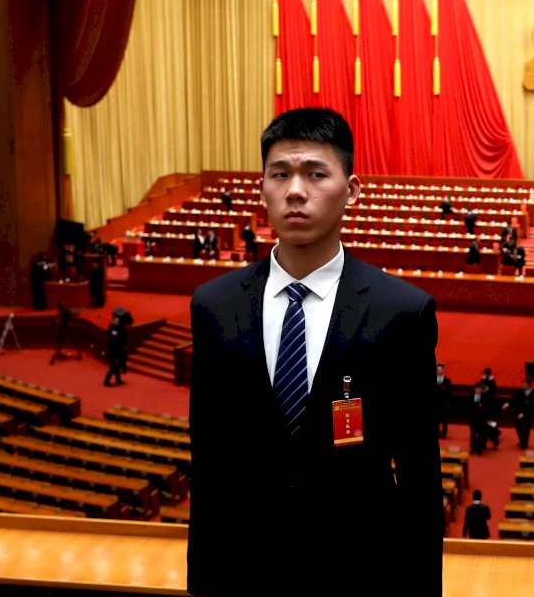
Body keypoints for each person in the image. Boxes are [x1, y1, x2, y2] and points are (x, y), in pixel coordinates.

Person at [188, 107, 442, 596]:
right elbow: (209, 459)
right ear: (262, 188)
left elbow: (419, 475)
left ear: (352, 190)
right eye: (280, 174)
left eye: (316, 174)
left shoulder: (402, 311)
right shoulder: (214, 305)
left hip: (359, 572)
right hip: (246, 571)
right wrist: (202, 583)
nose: (295, 191)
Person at [505, 378, 534, 450]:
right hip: (518, 413)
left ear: (529, 386)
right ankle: (522, 440)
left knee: (526, 429)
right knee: (518, 426)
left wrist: (524, 414)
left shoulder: (533, 395)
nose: (523, 386)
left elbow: (531, 407)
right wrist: (508, 403)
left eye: (525, 385)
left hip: (528, 415)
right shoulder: (520, 391)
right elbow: (513, 398)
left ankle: (524, 444)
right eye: (523, 384)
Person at [103, 309, 128, 387]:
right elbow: (113, 340)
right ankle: (106, 381)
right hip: (112, 351)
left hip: (116, 350)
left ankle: (118, 380)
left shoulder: (117, 329)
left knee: (115, 367)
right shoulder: (113, 330)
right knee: (113, 367)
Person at [468, 383, 489, 455]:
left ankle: (479, 449)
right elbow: (468, 407)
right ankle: (473, 448)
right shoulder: (471, 397)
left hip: (481, 419)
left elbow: (486, 408)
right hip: (473, 419)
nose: (478, 390)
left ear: (482, 390)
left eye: (480, 389)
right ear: (474, 389)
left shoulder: (485, 397)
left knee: (480, 434)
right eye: (477, 389)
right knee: (473, 434)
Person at [437, 363, 452, 438]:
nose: (439, 371)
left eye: (441, 370)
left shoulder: (447, 381)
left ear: (443, 370)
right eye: (438, 370)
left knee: (444, 419)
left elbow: (449, 392)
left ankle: (444, 433)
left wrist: (448, 402)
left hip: (444, 403)